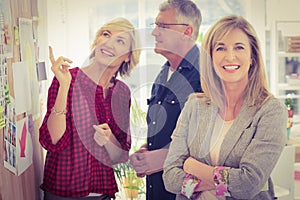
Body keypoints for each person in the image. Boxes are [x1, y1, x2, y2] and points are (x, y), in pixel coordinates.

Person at [162, 14, 288, 200]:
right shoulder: (194, 105)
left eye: (239, 47)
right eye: (220, 48)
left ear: (252, 56)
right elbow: (170, 177)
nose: (230, 56)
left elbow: (248, 184)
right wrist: (220, 183)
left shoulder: (270, 110)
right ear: (211, 58)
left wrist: (194, 168)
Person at [39, 17, 141, 200]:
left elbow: (120, 156)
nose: (109, 43)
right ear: (97, 42)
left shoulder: (122, 93)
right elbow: (52, 140)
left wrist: (109, 139)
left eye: (120, 41)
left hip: (102, 194)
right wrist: (64, 87)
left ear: (128, 56)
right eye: (106, 34)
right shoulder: (66, 79)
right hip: (62, 192)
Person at [129, 0, 202, 199]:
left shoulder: (207, 74)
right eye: (155, 25)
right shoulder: (163, 74)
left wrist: (166, 158)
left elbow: (217, 141)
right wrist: (148, 151)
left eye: (163, 26)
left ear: (187, 31)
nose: (154, 32)